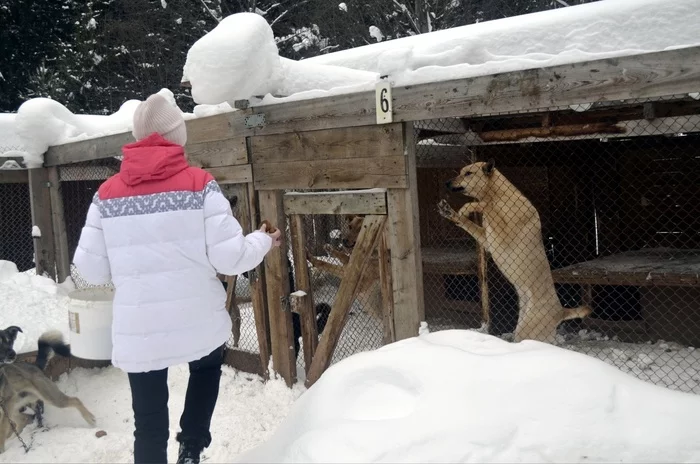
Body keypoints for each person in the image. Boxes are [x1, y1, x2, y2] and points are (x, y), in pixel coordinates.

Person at [73, 93, 281, 464]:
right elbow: (231, 258)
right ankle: (191, 446)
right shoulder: (199, 184)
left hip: (140, 330)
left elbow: (89, 271)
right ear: (177, 135)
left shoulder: (106, 195)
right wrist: (263, 239)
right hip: (196, 320)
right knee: (206, 366)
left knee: (148, 425)